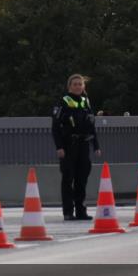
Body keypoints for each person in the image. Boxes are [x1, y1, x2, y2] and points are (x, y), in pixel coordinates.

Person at [52, 74, 102, 221]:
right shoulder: (63, 102)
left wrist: (96, 146)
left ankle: (81, 210)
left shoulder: (86, 102)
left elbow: (91, 126)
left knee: (82, 179)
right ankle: (68, 212)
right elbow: (55, 127)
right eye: (75, 84)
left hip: (83, 145)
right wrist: (59, 147)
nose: (78, 86)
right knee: (68, 179)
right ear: (69, 86)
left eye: (80, 84)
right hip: (68, 146)